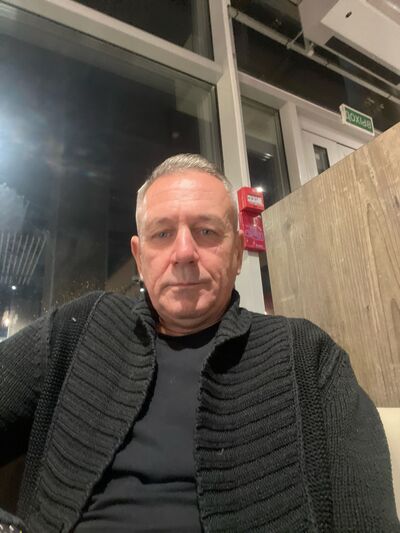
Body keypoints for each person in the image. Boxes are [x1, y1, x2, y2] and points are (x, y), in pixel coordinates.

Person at [0, 154, 398, 533]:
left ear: (238, 253)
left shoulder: (307, 356)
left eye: (206, 231)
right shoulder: (78, 329)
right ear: (140, 257)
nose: (184, 253)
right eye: (162, 234)